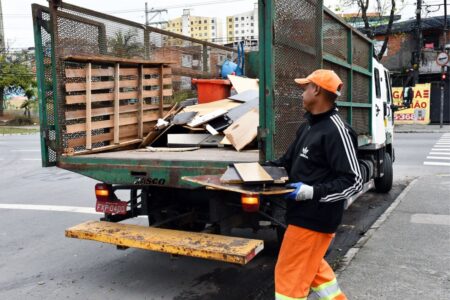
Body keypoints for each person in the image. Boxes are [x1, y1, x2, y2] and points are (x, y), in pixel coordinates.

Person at [270, 69, 363, 300]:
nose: (302, 93)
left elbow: (354, 181)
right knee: (316, 273)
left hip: (315, 219)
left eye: (305, 87)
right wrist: (257, 171)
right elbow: (286, 162)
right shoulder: (308, 126)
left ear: (317, 90)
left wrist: (311, 192)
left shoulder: (337, 130)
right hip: (300, 215)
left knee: (288, 281)